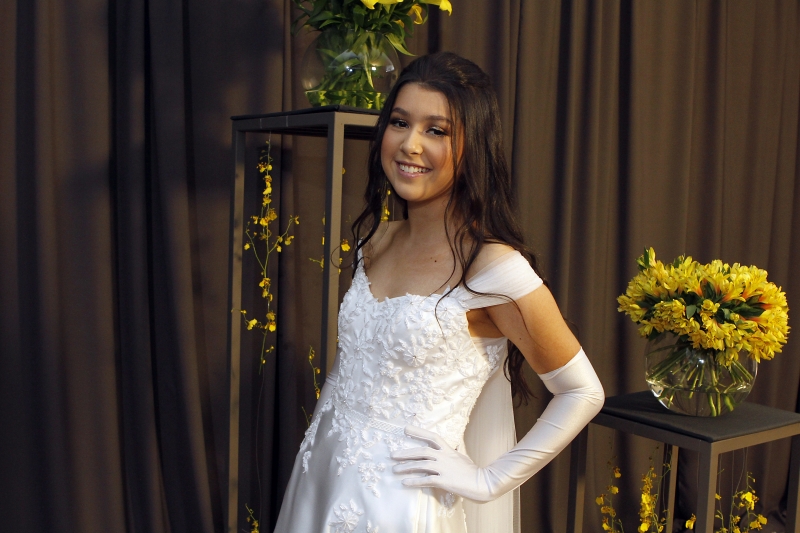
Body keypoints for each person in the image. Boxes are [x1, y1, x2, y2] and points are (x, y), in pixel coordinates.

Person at [273, 52, 604, 533]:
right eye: (399, 122)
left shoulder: (493, 268)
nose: (410, 145)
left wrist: (489, 480)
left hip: (401, 507)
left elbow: (582, 391)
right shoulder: (376, 241)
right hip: (322, 475)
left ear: (474, 146)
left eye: (436, 130)